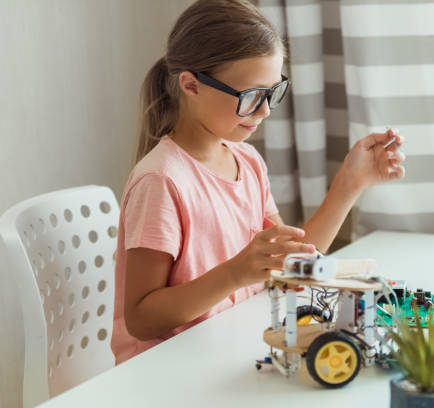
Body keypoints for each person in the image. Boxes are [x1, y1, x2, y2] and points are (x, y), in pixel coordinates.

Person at [111, 0, 406, 365]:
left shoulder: (247, 161)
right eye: (251, 96)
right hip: (166, 368)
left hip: (225, 351)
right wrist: (235, 273)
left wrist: (351, 181)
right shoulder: (161, 180)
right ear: (191, 85)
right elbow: (141, 319)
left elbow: (294, 260)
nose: (265, 110)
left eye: (272, 92)